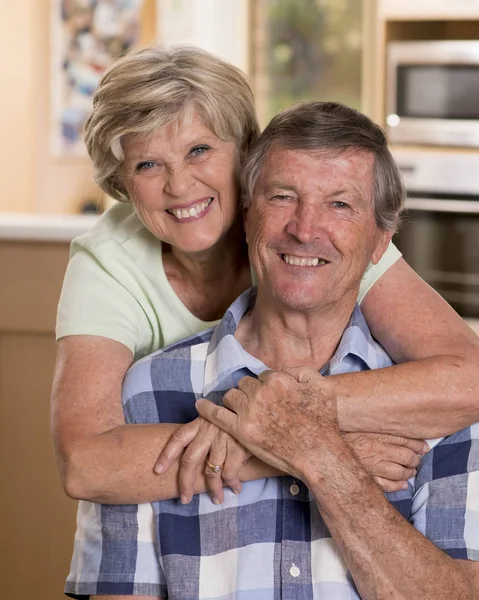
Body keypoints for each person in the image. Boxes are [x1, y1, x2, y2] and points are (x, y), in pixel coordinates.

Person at [51, 45, 479, 598]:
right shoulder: (116, 288)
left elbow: (468, 377)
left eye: (199, 149)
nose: (180, 185)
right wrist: (284, 445)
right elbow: (88, 463)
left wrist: (298, 425)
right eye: (148, 164)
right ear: (124, 183)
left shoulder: (330, 242)